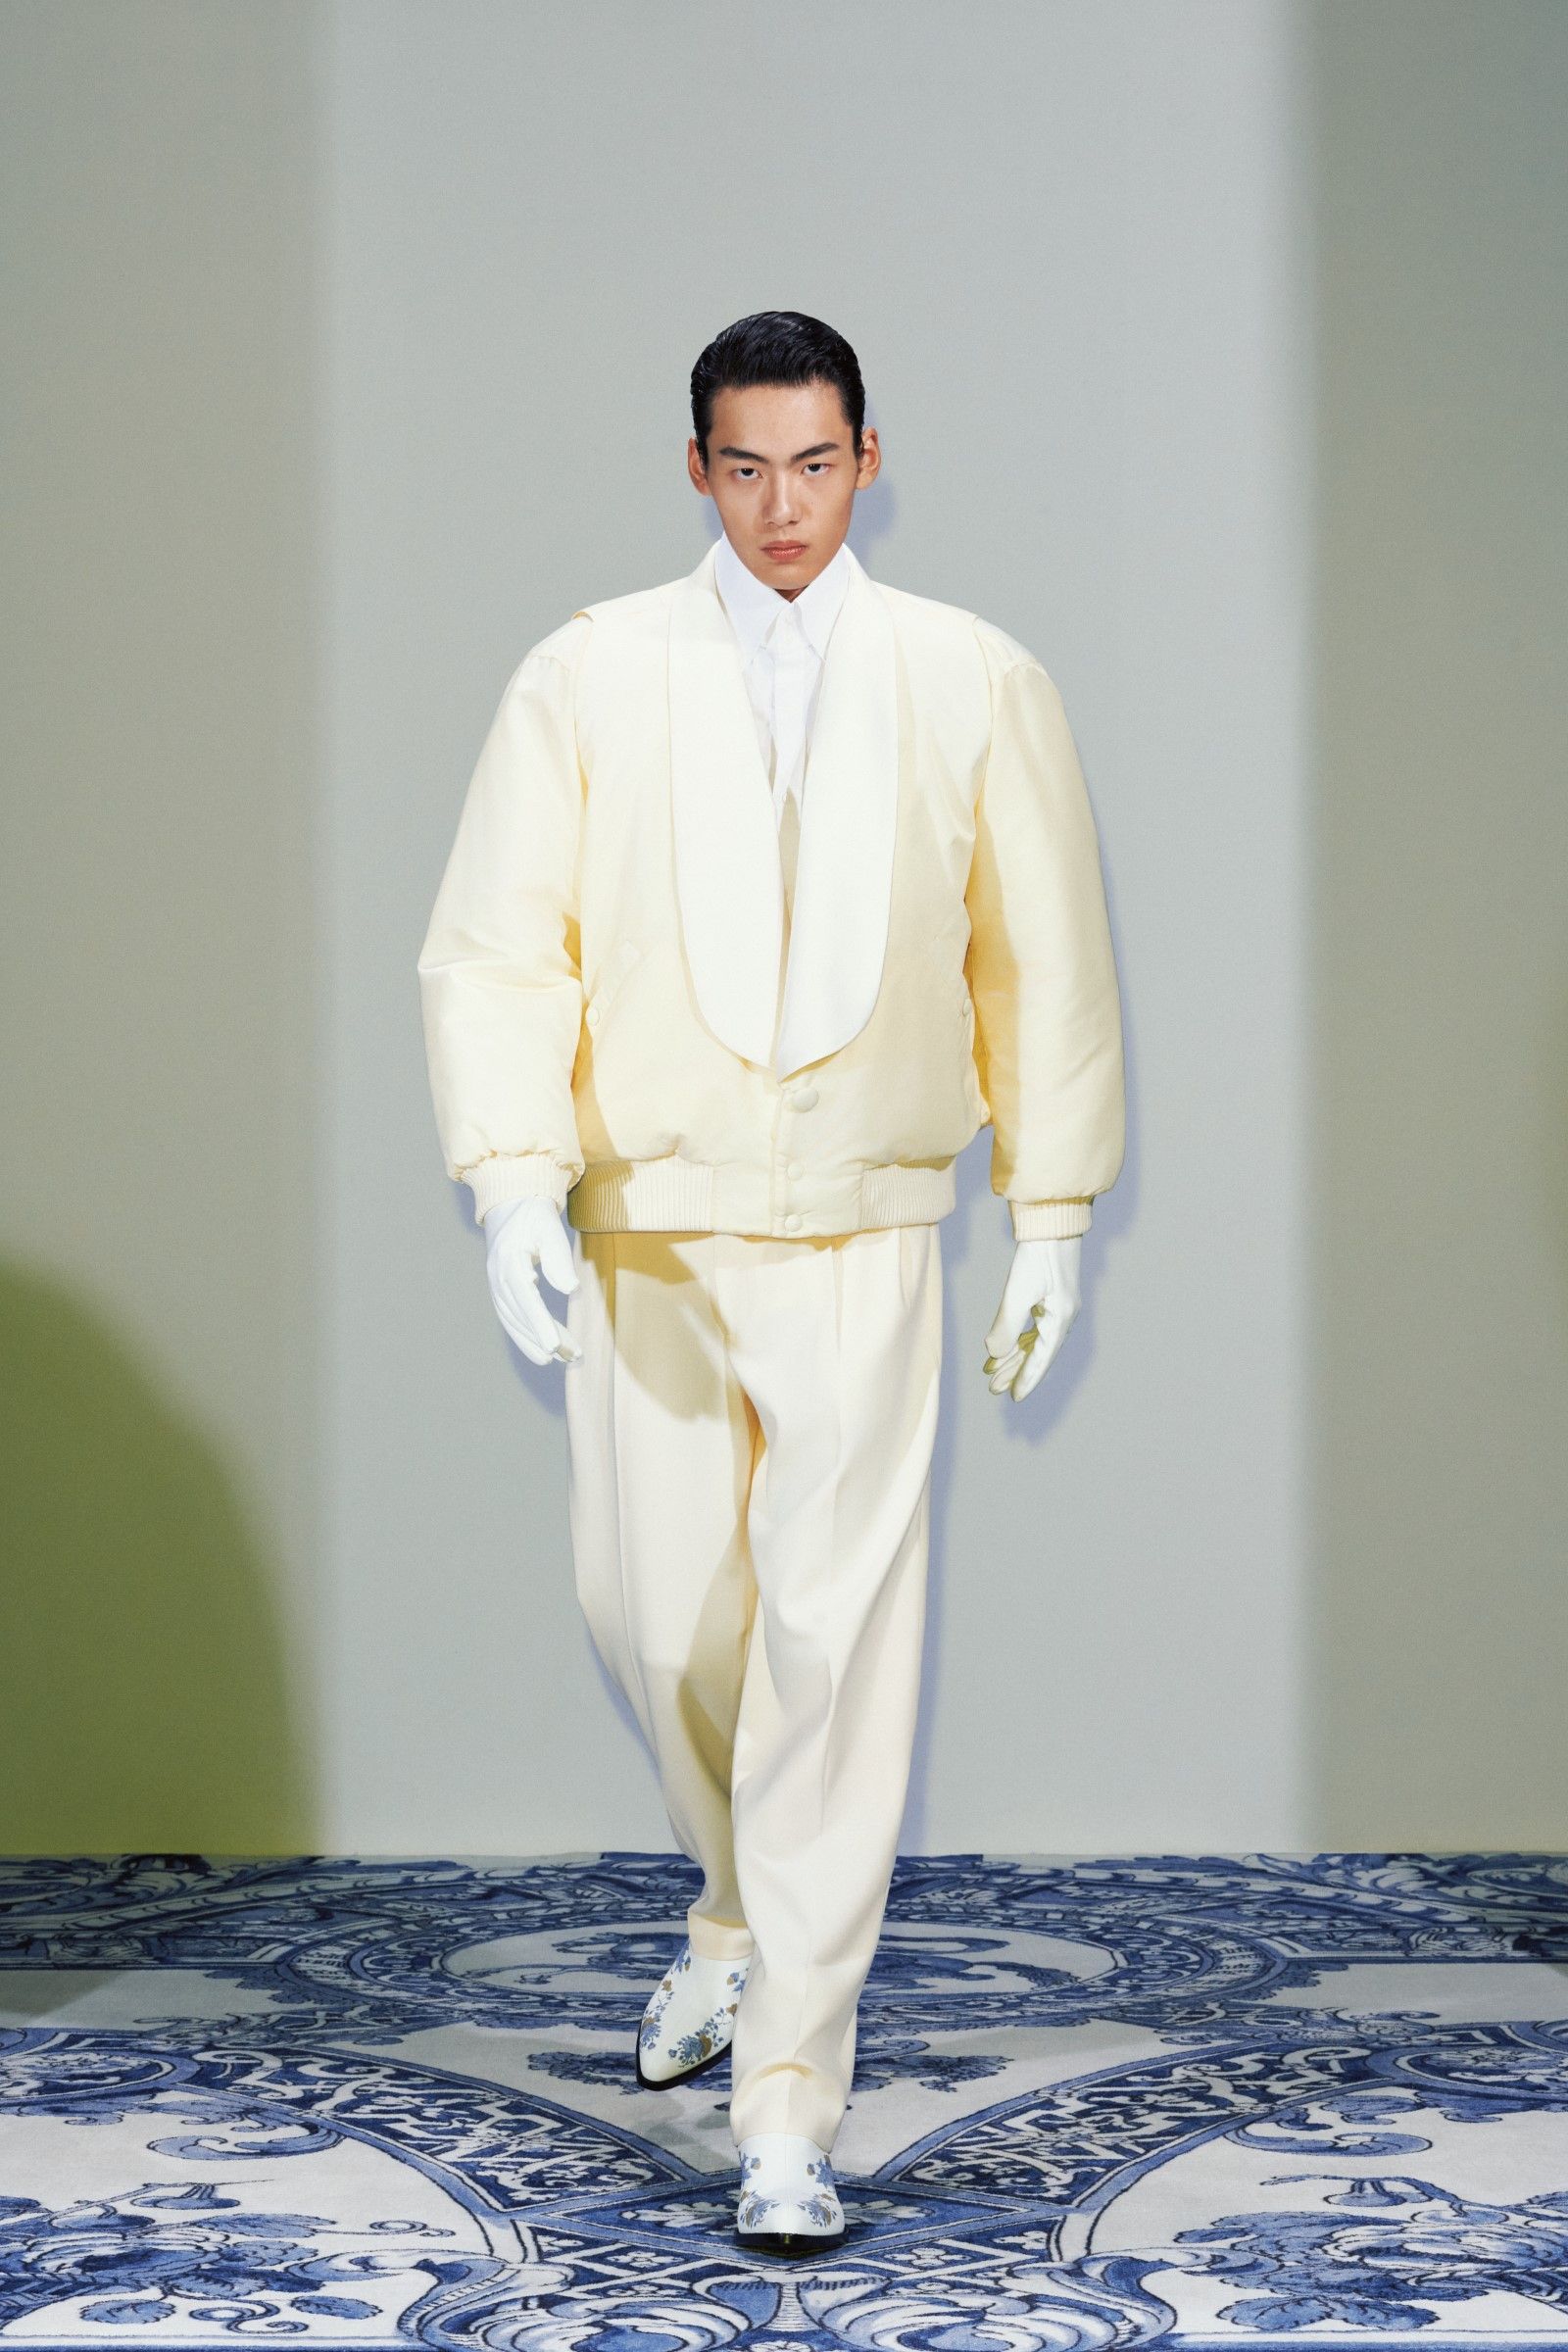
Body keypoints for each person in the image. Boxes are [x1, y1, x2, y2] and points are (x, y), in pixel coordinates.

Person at [416, 310, 1125, 2256]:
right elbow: (499, 942)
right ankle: (731, 1911)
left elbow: (1040, 956)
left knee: (837, 1657)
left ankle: (788, 2106)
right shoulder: (588, 671)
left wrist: (1052, 1209)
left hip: (866, 1231)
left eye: (815, 464)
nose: (783, 505)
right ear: (697, 470)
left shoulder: (971, 678)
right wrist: (513, 1181)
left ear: (866, 459)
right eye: (746, 467)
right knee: (657, 1621)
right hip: (648, 1219)